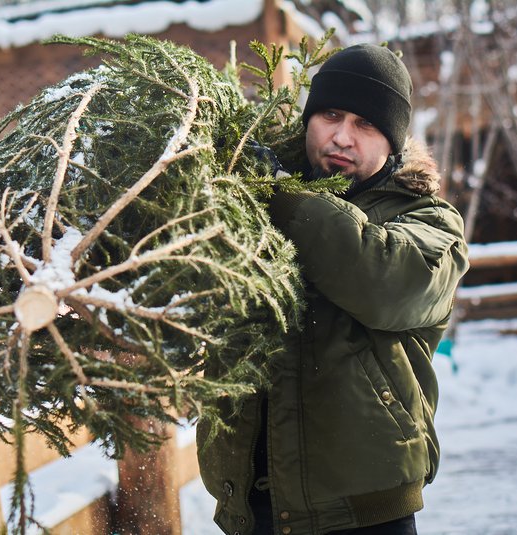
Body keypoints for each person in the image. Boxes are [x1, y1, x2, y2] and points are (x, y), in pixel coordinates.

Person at [196, 43, 470, 534]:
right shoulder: (247, 201)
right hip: (252, 506)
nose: (342, 136)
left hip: (366, 511)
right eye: (331, 114)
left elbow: (382, 281)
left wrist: (278, 193)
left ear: (393, 141)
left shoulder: (427, 221)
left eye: (366, 124)